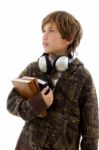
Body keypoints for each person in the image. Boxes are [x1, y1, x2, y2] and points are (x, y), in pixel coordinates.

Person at [7, 10, 99, 150]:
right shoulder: (33, 69)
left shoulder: (82, 77)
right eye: (43, 30)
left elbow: (91, 128)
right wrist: (37, 104)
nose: (44, 35)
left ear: (68, 38)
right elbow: (12, 102)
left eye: (51, 30)